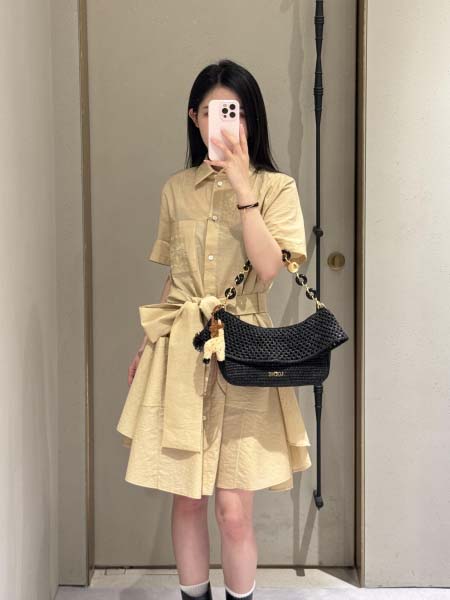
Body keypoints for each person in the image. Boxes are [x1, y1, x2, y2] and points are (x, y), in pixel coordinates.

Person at [116, 58, 312, 600]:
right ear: (195, 118)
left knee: (232, 508)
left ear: (253, 119)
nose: (228, 122)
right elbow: (176, 278)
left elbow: (269, 269)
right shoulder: (176, 189)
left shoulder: (277, 188)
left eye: (238, 112)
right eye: (216, 111)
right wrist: (147, 343)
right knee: (186, 498)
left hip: (244, 350)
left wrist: (243, 185)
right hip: (181, 348)